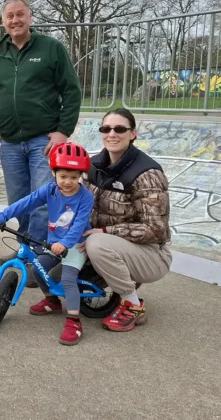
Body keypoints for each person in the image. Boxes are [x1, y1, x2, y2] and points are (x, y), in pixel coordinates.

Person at [0, 0, 82, 265]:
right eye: (9, 16)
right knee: (19, 201)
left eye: (20, 15)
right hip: (11, 143)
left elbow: (71, 91)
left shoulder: (51, 48)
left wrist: (63, 130)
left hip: (44, 140)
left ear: (30, 17)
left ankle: (41, 257)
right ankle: (26, 251)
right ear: (3, 21)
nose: (15, 20)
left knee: (42, 202)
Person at [0, 143, 94, 345]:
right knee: (37, 268)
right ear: (54, 173)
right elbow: (25, 202)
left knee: (69, 278)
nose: (68, 182)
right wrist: (2, 217)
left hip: (76, 244)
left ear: (80, 175)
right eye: (63, 176)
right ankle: (52, 301)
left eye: (74, 177)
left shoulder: (85, 197)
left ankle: (74, 321)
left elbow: (79, 224)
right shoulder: (50, 190)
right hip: (54, 243)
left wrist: (65, 243)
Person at [80, 108, 171, 332]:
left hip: (150, 254)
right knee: (59, 276)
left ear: (133, 134)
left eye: (120, 129)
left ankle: (132, 304)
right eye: (106, 128)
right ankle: (106, 279)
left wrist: (107, 232)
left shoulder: (147, 174)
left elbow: (156, 230)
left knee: (97, 244)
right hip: (106, 245)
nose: (112, 134)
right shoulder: (93, 166)